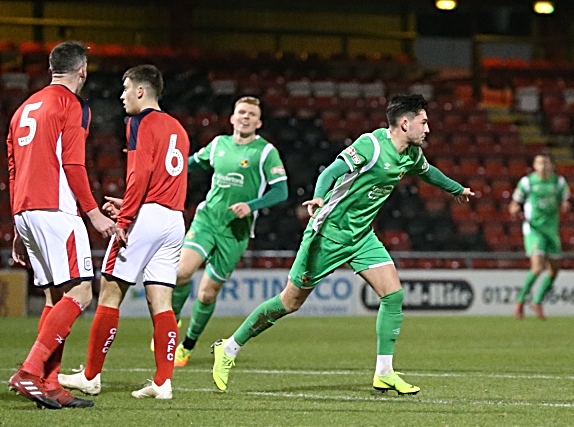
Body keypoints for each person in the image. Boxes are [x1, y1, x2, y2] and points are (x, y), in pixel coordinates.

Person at [210, 94, 474, 395]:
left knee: (393, 294)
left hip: (361, 236)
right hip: (328, 234)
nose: (428, 128)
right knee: (289, 302)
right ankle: (228, 348)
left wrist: (456, 190)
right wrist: (320, 196)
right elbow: (330, 172)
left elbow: (428, 173)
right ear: (404, 123)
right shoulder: (371, 146)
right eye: (423, 122)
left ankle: (384, 372)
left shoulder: (411, 155)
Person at [58, 65, 189, 399]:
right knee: (161, 300)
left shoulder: (139, 122)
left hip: (146, 218)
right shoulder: (178, 128)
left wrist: (127, 217)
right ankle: (163, 382)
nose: (122, 96)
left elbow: (141, 172)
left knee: (110, 291)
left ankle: (90, 376)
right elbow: (162, 181)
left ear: (141, 92)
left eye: (126, 88)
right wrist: (134, 205)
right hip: (173, 219)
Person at [6, 41, 116, 409]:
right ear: (82, 70)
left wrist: (19, 228)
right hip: (56, 209)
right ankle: (30, 371)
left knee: (56, 298)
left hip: (26, 210)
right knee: (82, 292)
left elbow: (12, 169)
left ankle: (49, 384)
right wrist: (93, 213)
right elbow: (73, 164)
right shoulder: (72, 105)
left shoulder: (23, 109)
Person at [168, 96, 288, 367]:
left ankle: (187, 346)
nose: (245, 117)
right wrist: (165, 166)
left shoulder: (265, 152)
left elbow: (281, 190)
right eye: (241, 112)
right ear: (233, 118)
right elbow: (190, 165)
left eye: (251, 114)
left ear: (259, 122)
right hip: (207, 219)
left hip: (236, 232)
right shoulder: (218, 144)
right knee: (181, 273)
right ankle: (169, 327)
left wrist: (252, 205)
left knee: (207, 294)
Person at [509, 154, 571, 320]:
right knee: (537, 267)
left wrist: (565, 205)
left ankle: (537, 301)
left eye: (546, 163)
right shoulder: (527, 182)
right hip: (534, 229)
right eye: (540, 163)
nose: (543, 166)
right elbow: (514, 203)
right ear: (534, 166)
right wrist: (515, 209)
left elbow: (565, 201)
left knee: (554, 271)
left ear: (551, 165)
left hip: (551, 230)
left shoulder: (558, 183)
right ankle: (520, 300)